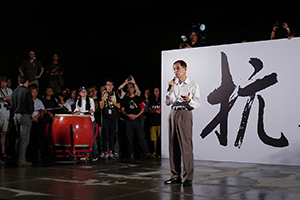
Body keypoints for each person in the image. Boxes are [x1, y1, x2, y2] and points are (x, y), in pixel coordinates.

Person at [164, 60, 201, 186]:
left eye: (178, 68)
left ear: (185, 69)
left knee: (186, 146)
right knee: (173, 145)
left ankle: (188, 177)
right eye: (174, 69)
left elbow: (198, 103)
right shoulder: (173, 84)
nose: (176, 71)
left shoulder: (192, 84)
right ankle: (175, 176)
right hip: (173, 113)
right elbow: (168, 102)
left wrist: (189, 100)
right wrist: (170, 90)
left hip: (185, 113)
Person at [121, 82, 151, 158]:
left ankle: (146, 152)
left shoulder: (138, 98)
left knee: (141, 136)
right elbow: (122, 109)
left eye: (131, 87)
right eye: (128, 88)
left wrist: (136, 116)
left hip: (137, 120)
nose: (130, 89)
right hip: (128, 120)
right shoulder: (125, 99)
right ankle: (131, 153)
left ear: (134, 89)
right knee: (129, 137)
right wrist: (127, 115)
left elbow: (143, 109)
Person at [11, 74, 34, 167]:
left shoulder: (14, 91)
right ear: (27, 82)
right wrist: (31, 112)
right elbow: (30, 105)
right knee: (24, 139)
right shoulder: (26, 91)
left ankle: (17, 157)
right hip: (24, 116)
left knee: (18, 138)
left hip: (15, 115)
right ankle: (21, 160)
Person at [73, 87, 98, 160]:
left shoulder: (90, 100)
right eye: (82, 92)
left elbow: (92, 110)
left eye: (85, 92)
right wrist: (75, 113)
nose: (84, 93)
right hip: (82, 122)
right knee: (83, 137)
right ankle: (83, 154)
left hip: (90, 121)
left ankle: (94, 154)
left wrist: (84, 113)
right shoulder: (78, 101)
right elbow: (76, 110)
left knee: (92, 137)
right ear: (79, 93)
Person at [100, 79, 120, 159]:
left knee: (112, 134)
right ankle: (105, 151)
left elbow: (119, 106)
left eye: (111, 85)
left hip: (113, 116)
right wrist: (103, 98)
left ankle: (111, 151)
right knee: (105, 134)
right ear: (105, 86)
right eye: (108, 85)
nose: (110, 86)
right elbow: (101, 107)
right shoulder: (103, 94)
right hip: (105, 116)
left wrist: (113, 101)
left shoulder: (115, 94)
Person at [0, 76, 13, 159]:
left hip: (7, 113)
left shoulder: (10, 91)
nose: (3, 84)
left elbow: (12, 102)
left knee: (4, 133)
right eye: (2, 83)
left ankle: (3, 151)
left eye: (4, 83)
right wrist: (2, 99)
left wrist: (10, 103)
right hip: (0, 113)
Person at [148, 87, 161, 157]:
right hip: (153, 122)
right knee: (154, 139)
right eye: (155, 91)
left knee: (160, 138)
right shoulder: (152, 101)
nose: (156, 92)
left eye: (157, 91)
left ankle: (160, 152)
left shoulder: (161, 100)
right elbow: (149, 110)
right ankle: (155, 152)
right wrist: (155, 111)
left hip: (160, 122)